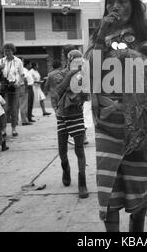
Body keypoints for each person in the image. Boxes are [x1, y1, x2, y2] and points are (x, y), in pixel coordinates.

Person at [85, 0, 147, 232]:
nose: (115, 6)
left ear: (133, 6)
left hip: (141, 126)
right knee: (109, 191)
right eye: (111, 1)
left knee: (139, 191)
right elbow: (90, 71)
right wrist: (102, 34)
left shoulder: (145, 37)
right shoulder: (99, 37)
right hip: (108, 125)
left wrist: (137, 58)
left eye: (122, 0)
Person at [55, 47, 89, 198]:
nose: (77, 63)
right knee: (62, 149)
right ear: (69, 61)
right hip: (62, 115)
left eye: (79, 60)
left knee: (79, 149)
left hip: (76, 114)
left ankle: (82, 182)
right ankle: (66, 169)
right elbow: (59, 90)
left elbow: (87, 94)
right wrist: (71, 74)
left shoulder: (84, 74)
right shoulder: (60, 73)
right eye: (74, 60)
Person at [0, 43, 24, 137]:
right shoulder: (1, 61)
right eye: (5, 51)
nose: (7, 53)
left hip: (15, 86)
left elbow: (22, 74)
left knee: (14, 108)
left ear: (12, 51)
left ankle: (14, 129)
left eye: (9, 51)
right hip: (4, 87)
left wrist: (18, 83)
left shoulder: (18, 61)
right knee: (4, 108)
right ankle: (3, 129)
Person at [18, 59, 32, 126]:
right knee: (24, 104)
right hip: (23, 86)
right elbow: (25, 79)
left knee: (21, 104)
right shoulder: (22, 69)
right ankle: (24, 120)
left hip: (19, 86)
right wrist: (26, 88)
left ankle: (23, 119)